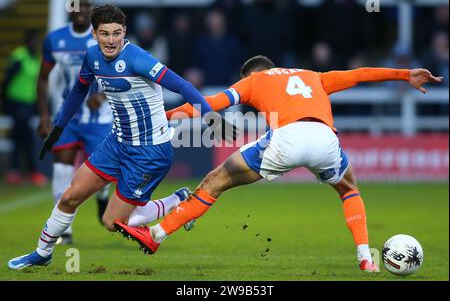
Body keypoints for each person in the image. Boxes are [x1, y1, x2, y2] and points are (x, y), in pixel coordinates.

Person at [113, 55, 443, 272]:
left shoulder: (255, 80)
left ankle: (156, 233)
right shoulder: (313, 76)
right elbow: (357, 75)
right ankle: (364, 259)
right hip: (325, 138)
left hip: (287, 138)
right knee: (347, 187)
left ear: (252, 73)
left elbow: (210, 104)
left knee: (215, 181)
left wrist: (165, 117)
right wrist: (403, 74)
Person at [7, 4, 234, 270]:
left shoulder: (139, 59)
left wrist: (211, 117)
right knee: (69, 197)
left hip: (150, 151)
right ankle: (42, 252)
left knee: (112, 222)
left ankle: (178, 199)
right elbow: (79, 90)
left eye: (116, 33)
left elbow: (183, 85)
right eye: (105, 34)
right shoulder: (92, 57)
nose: (111, 40)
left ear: (124, 32)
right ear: (94, 34)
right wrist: (59, 127)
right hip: (117, 143)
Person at [36, 0, 112, 245]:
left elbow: (119, 73)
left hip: (98, 119)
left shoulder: (101, 38)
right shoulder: (55, 39)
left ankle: (103, 198)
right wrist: (45, 115)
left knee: (102, 175)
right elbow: (43, 78)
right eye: (77, 6)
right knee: (61, 170)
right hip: (66, 118)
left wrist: (100, 97)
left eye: (87, 6)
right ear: (69, 9)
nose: (82, 10)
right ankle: (62, 231)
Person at [1, 29, 48, 186]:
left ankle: (19, 171)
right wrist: (5, 103)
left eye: (37, 42)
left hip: (30, 104)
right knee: (23, 137)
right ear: (27, 42)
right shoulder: (19, 58)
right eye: (33, 41)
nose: (35, 45)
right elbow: (7, 81)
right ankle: (26, 171)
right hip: (16, 103)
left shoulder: (37, 59)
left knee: (23, 137)